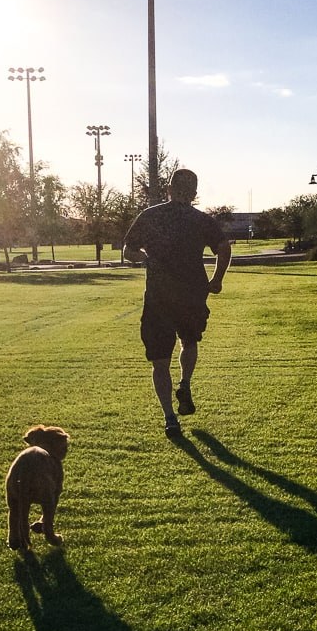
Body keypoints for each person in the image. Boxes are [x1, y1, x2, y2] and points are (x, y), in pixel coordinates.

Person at [123, 168, 231, 438]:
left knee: (159, 361)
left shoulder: (150, 216)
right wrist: (216, 280)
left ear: (168, 190)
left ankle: (170, 418)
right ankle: (184, 382)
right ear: (194, 194)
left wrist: (145, 258)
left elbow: (128, 251)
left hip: (159, 296)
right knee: (190, 341)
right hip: (192, 293)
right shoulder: (201, 219)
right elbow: (224, 247)